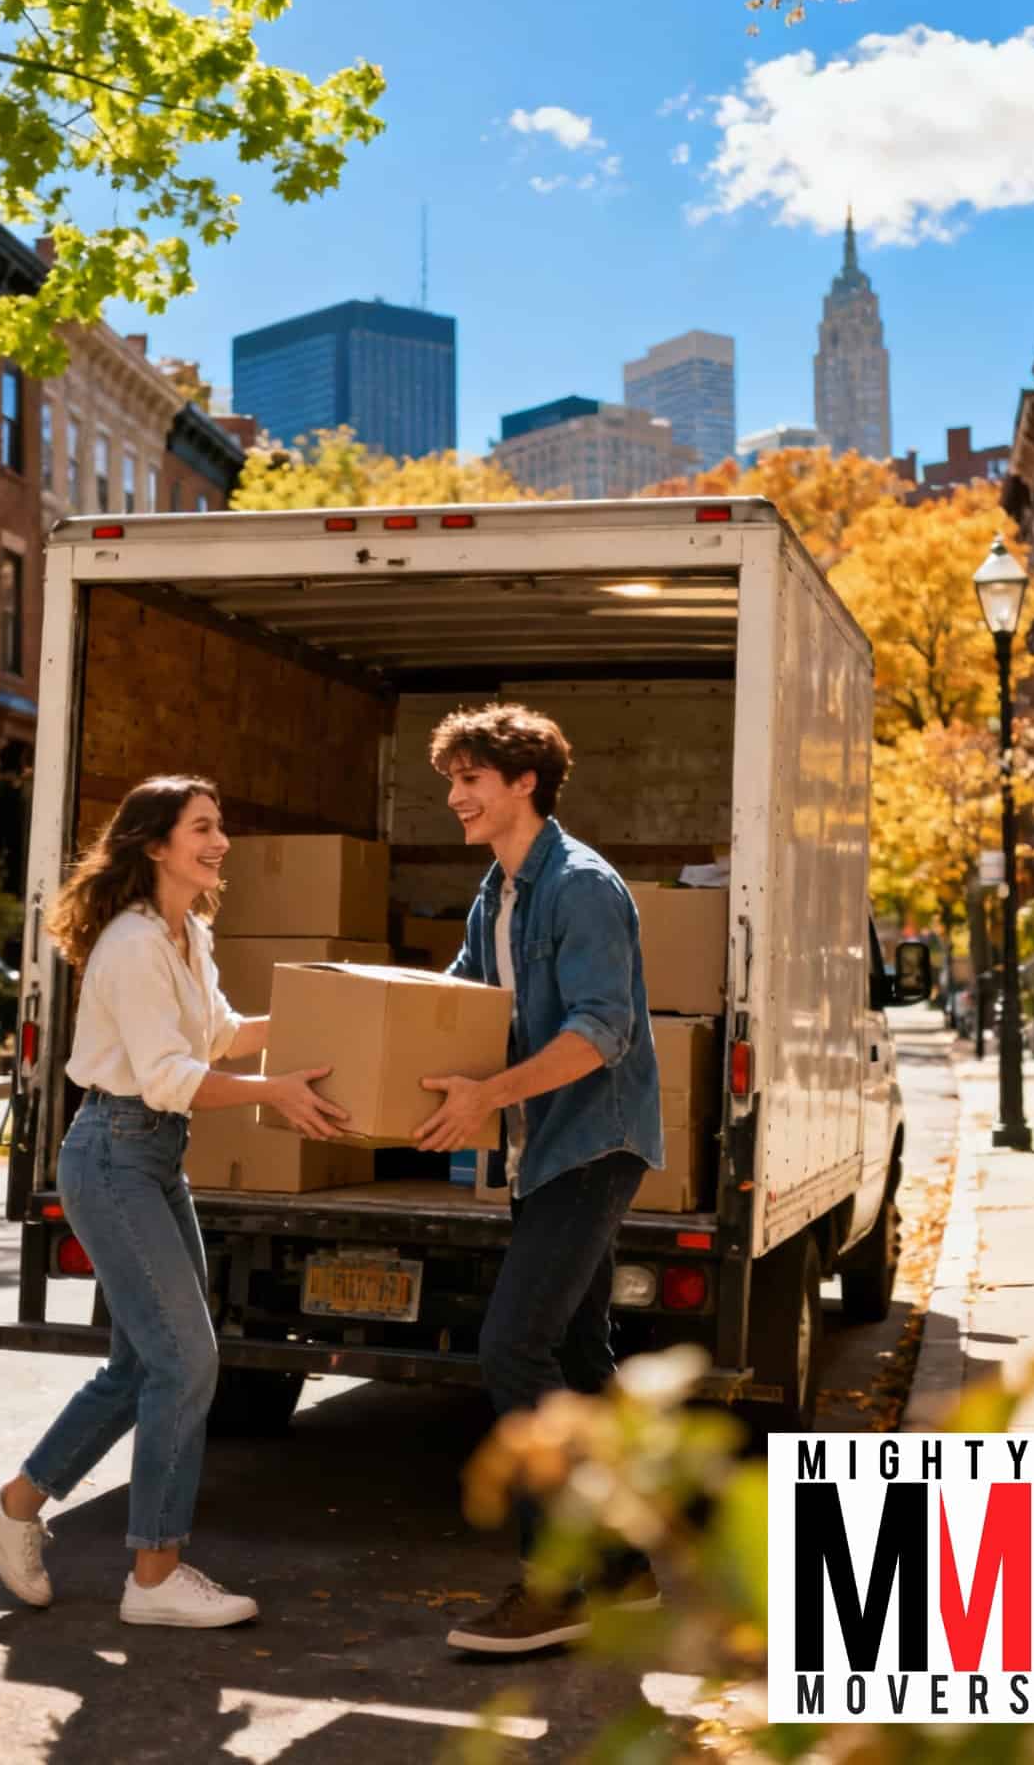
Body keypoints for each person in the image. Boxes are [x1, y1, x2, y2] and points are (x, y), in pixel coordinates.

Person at [0, 774, 346, 1628]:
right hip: (112, 1155)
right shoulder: (134, 944)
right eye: (202, 828)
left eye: (221, 828)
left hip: (149, 1157)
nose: (219, 844)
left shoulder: (188, 934)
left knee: (144, 1362)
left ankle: (16, 1506)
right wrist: (272, 1092)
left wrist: (331, 1012)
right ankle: (154, 1574)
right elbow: (171, 1076)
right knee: (186, 1361)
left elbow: (213, 1034)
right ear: (155, 845)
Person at [413, 704, 664, 1656]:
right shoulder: (498, 894)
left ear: (524, 782)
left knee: (512, 1348)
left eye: (471, 778)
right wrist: (358, 1013)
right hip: (542, 1149)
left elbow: (605, 1031)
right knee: (582, 1358)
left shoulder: (582, 887)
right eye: (452, 780)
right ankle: (626, 1570)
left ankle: (553, 1582)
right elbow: (464, 998)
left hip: (591, 1145)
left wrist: (489, 1095)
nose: (455, 797)